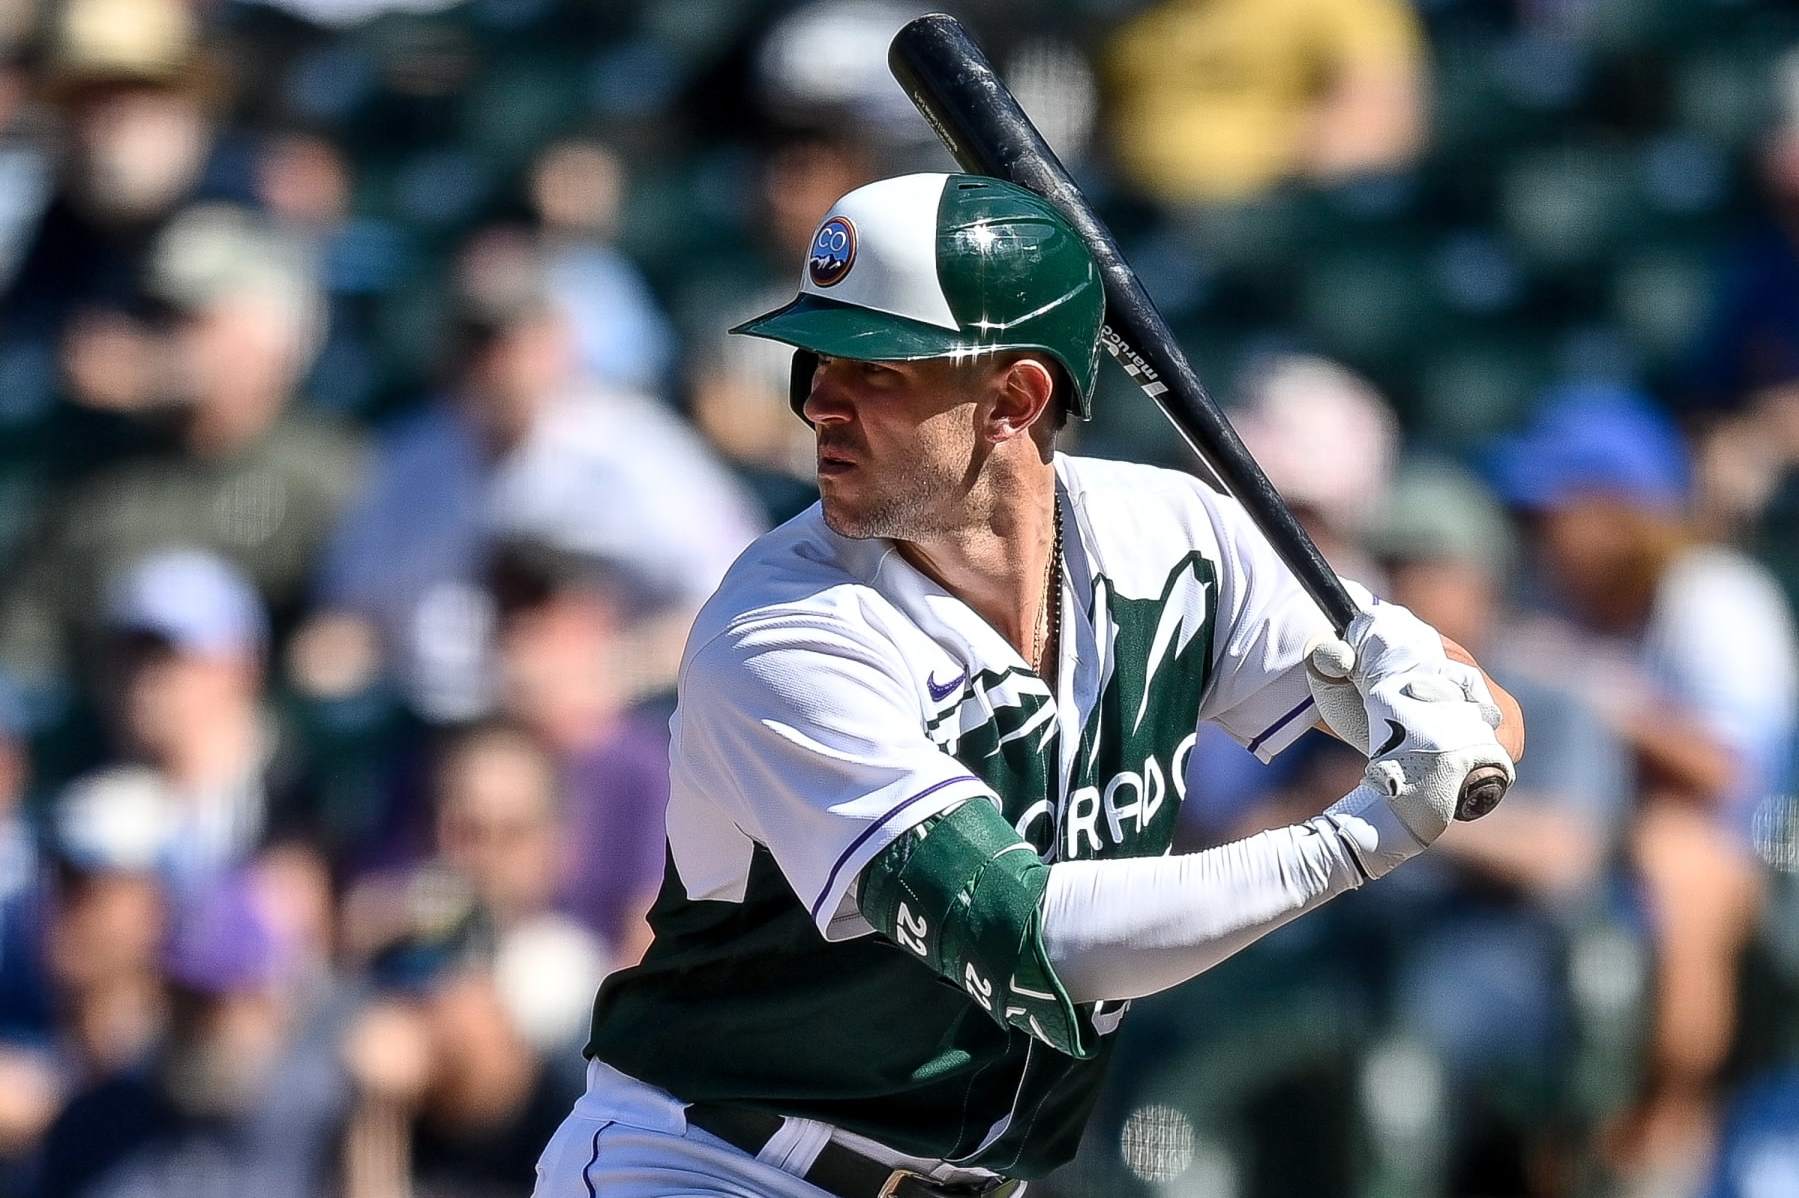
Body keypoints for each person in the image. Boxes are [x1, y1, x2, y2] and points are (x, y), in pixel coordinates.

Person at [533, 174, 1521, 1197]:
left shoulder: (1177, 539)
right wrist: (1355, 841)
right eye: (815, 359)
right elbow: (1032, 944)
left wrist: (1422, 688)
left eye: (875, 368)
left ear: (1013, 398)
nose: (820, 399)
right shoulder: (780, 632)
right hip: (714, 1162)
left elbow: (1486, 731)